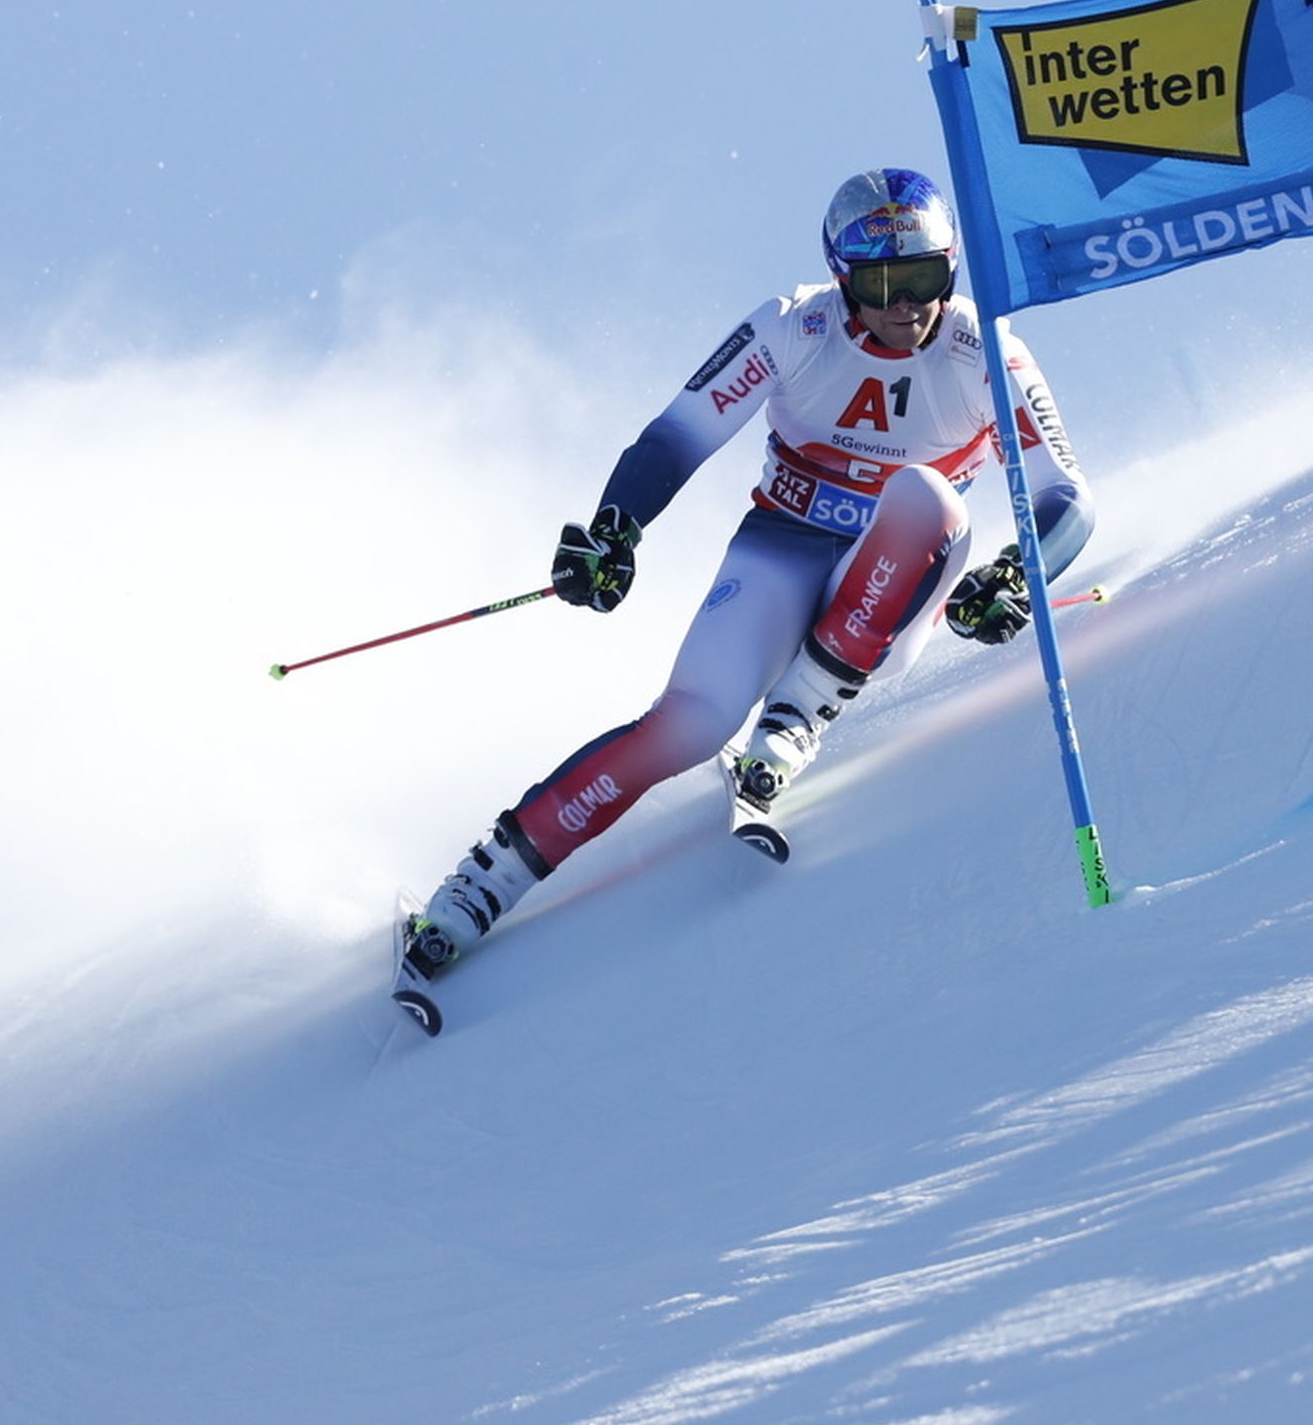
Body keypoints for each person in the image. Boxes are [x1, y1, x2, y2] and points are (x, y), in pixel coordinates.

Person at [396, 168, 1094, 1005]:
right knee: (687, 724)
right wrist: (617, 527)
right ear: (842, 278)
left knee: (923, 497)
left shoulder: (988, 351)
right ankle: (481, 887)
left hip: (897, 582)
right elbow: (681, 430)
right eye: (881, 283)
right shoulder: (794, 324)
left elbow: (1069, 496)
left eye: (925, 278)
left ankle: (797, 717)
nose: (906, 304)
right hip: (782, 548)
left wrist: (1020, 571)